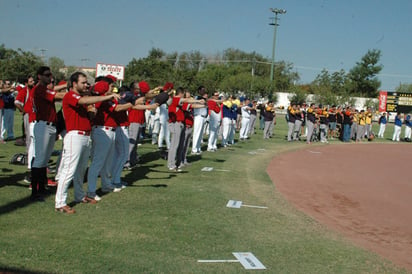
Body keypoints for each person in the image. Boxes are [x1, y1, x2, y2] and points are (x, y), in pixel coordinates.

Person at [54, 72, 122, 213]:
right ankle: (60, 202)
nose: (86, 85)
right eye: (83, 82)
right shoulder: (70, 95)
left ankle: (79, 195)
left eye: (86, 83)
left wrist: (93, 110)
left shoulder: (82, 97)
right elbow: (83, 101)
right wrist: (107, 96)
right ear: (74, 83)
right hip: (74, 136)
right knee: (69, 170)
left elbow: (89, 112)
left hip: (85, 135)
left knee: (80, 170)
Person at [30, 66, 66, 201]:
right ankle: (35, 191)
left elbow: (54, 92)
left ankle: (42, 187)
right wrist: (73, 93)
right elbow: (57, 95)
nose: (49, 77)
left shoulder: (44, 89)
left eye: (50, 75)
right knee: (40, 159)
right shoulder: (39, 89)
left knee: (44, 159)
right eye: (46, 75)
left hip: (50, 125)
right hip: (43, 125)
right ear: (39, 76)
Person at [168, 87, 204, 171]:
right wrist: (198, 101)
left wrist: (201, 104)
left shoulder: (178, 100)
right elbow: (186, 101)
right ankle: (171, 164)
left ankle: (177, 163)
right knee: (174, 145)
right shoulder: (176, 99)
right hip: (176, 123)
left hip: (180, 123)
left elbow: (188, 103)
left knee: (179, 145)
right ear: (181, 93)